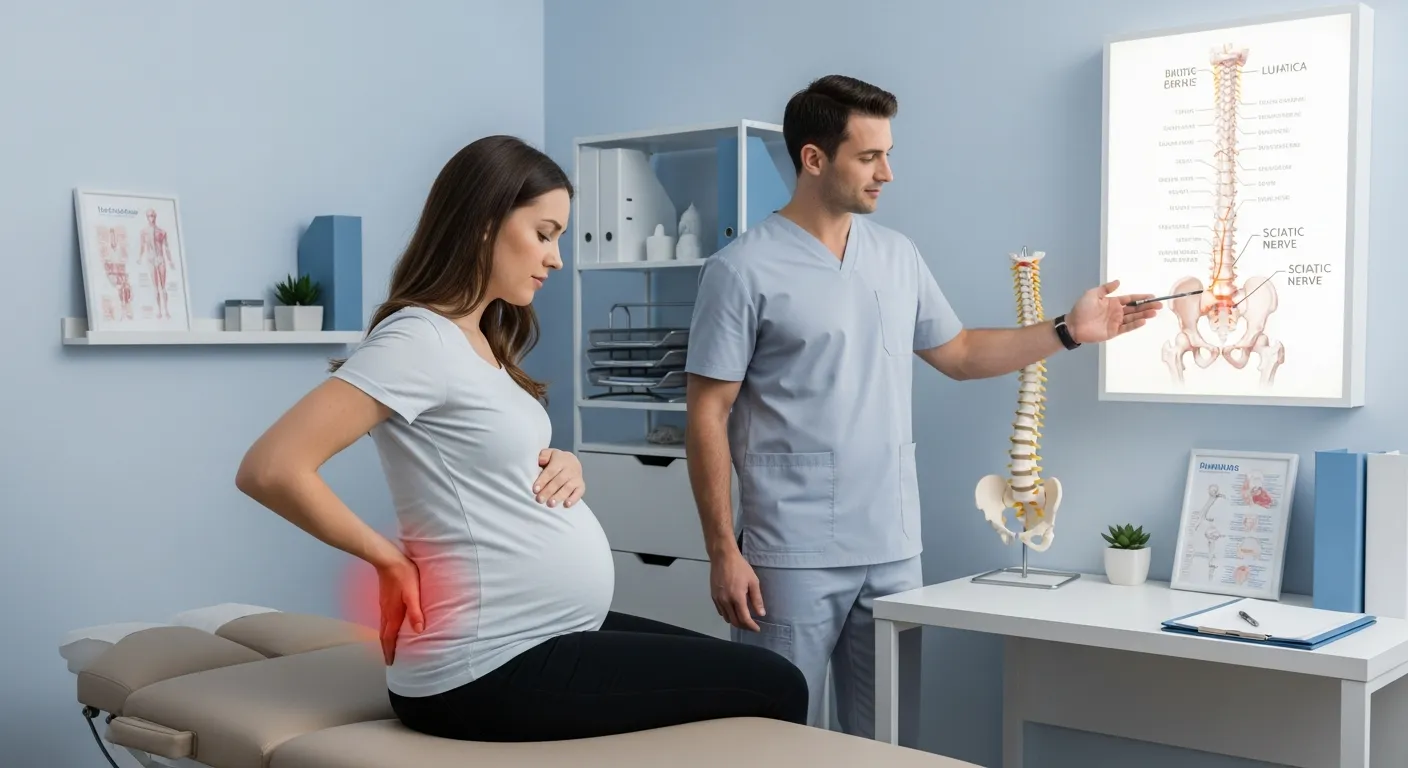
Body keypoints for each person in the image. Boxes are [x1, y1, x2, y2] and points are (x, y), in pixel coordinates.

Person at [235, 134, 808, 743]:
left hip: (538, 637)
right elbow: (271, 467)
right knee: (775, 686)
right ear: (484, 225)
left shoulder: (476, 339)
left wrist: (561, 464)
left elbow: (481, 452)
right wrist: (386, 559)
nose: (557, 257)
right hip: (483, 666)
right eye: (544, 232)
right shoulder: (417, 340)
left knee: (764, 678)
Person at [683, 75, 1162, 737]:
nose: (888, 172)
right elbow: (707, 413)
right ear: (814, 159)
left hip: (891, 544)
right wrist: (720, 551)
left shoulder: (895, 255)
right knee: (776, 734)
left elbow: (961, 354)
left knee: (891, 737)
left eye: (888, 152)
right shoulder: (741, 270)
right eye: (869, 156)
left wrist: (1069, 331)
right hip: (789, 553)